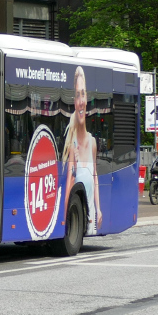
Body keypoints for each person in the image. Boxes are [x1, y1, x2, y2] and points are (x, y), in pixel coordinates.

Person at [62, 66, 102, 234]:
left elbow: (95, 176)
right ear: (74, 100)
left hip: (91, 214)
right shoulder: (71, 144)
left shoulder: (92, 142)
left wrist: (98, 209)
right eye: (77, 94)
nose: (80, 100)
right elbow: (68, 191)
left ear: (87, 98)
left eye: (83, 94)